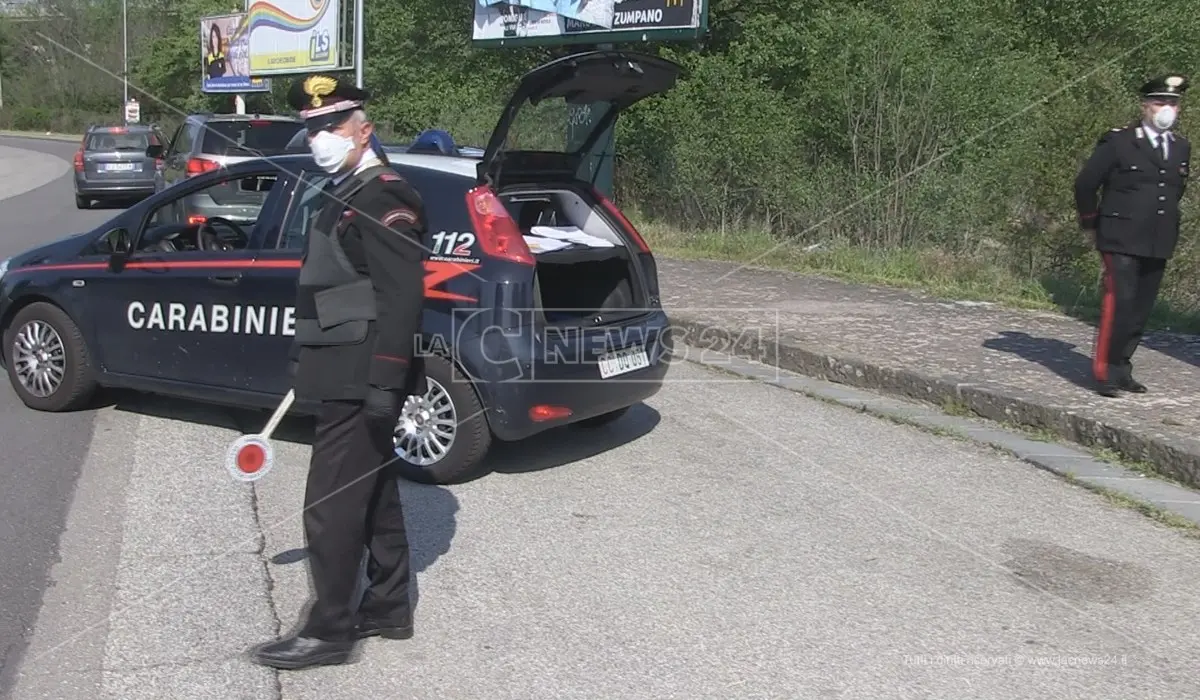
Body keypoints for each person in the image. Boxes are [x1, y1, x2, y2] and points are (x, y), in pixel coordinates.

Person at [250, 74, 429, 671]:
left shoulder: (384, 196)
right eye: (311, 126)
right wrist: (307, 363)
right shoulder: (341, 188)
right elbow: (329, 286)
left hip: (364, 370)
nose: (320, 135)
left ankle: (328, 631)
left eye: (331, 124)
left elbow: (401, 298)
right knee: (372, 493)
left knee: (329, 503)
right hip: (340, 365)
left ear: (363, 129)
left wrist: (383, 382)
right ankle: (387, 606)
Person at [1074, 74, 1190, 397]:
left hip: (1158, 238)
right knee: (1119, 303)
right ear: (1145, 106)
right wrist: (1090, 223)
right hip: (1119, 235)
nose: (1166, 109)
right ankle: (1105, 371)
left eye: (1173, 103)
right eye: (1160, 102)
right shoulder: (1120, 142)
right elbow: (1085, 184)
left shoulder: (1180, 146)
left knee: (1141, 307)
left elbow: (1175, 190)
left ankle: (1123, 367)